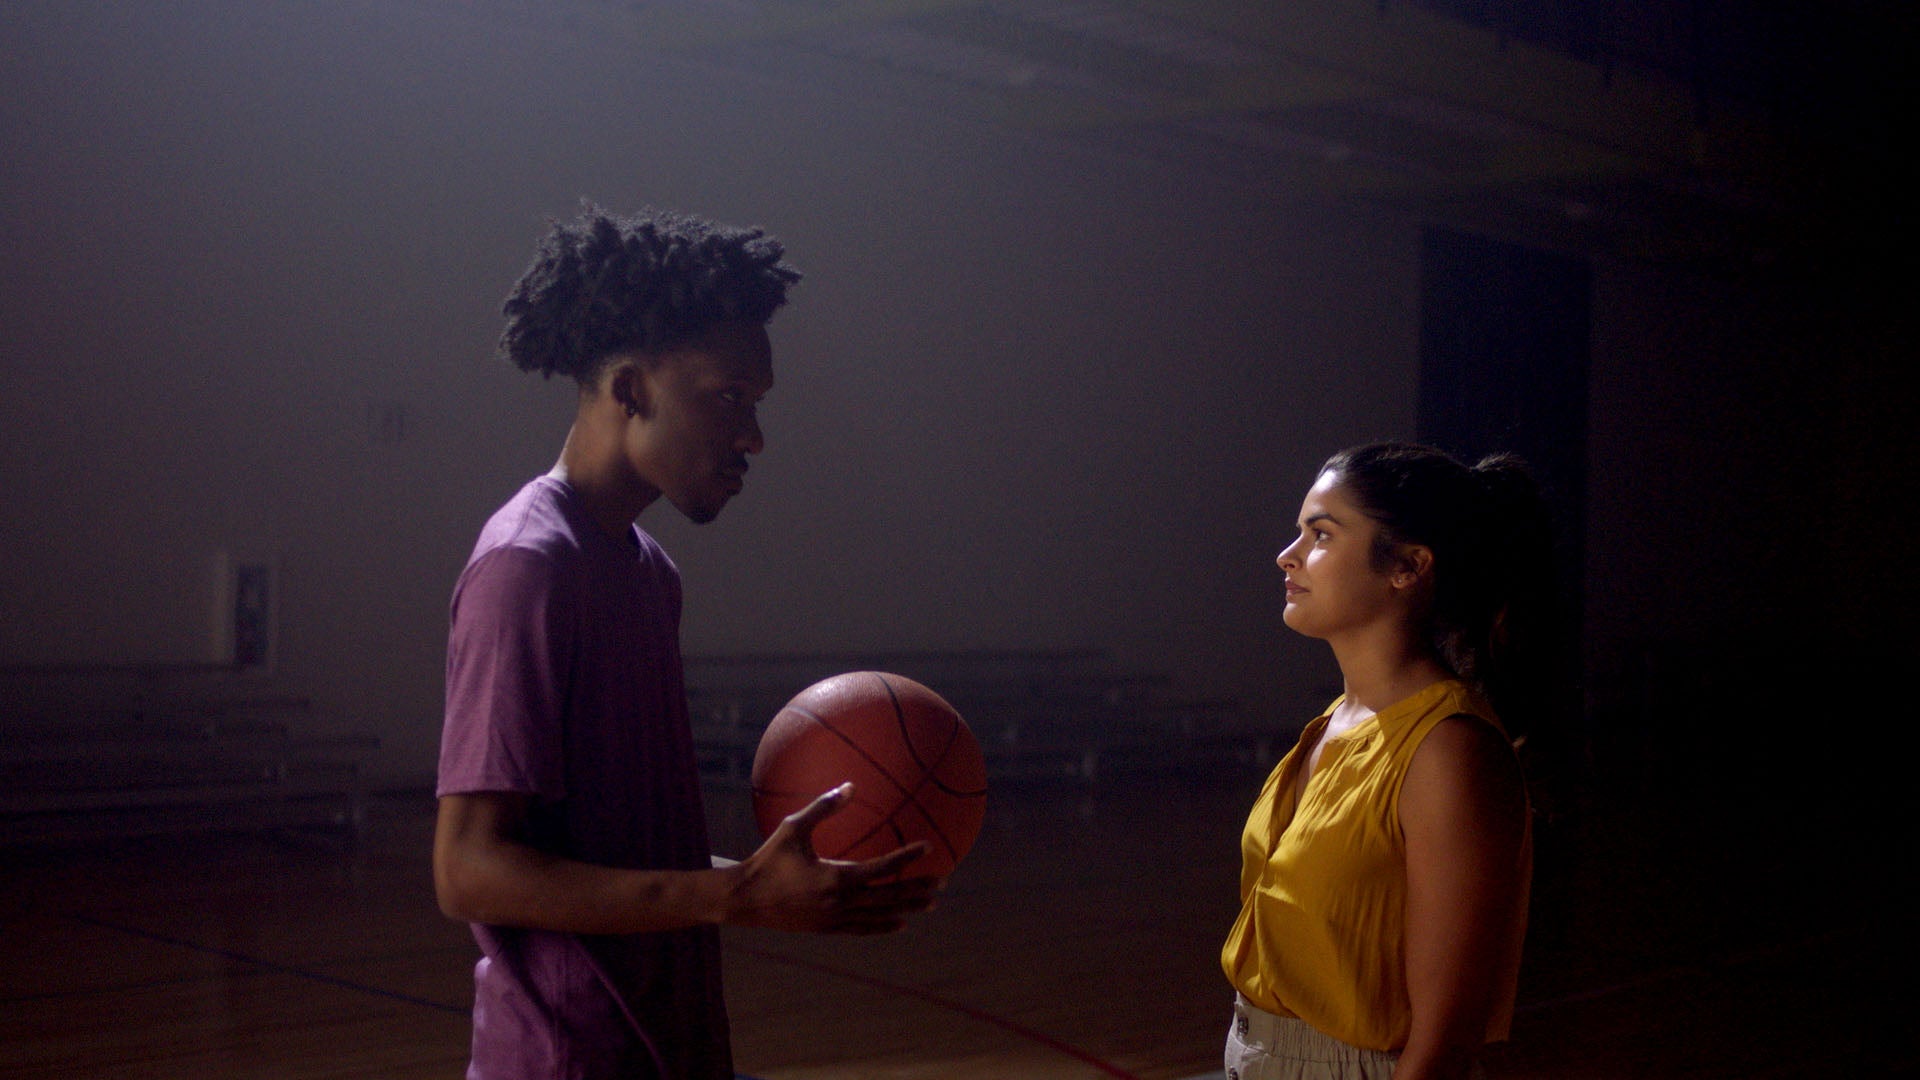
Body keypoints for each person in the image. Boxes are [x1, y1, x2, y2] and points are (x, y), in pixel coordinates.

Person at [433, 205, 941, 1080]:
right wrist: (735, 894)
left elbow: (620, 853)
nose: (753, 437)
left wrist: (771, 883)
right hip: (567, 1060)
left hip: (670, 1046)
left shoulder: (648, 571)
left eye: (757, 405)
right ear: (632, 389)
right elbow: (468, 869)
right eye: (729, 398)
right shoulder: (527, 567)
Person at [1220, 442, 1554, 1080]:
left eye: (1321, 534)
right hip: (1257, 1049)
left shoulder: (1447, 749)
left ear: (1407, 566)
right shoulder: (1331, 723)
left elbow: (1447, 1038)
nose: (1288, 555)